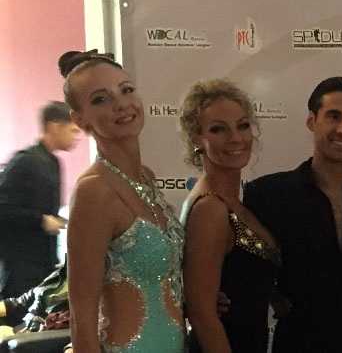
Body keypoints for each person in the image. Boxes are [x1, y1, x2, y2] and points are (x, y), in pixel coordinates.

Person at [243, 76, 342, 353]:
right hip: (299, 342)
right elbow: (247, 268)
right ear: (311, 121)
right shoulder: (267, 194)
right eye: (333, 116)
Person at [61, 50, 186, 353]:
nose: (121, 104)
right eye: (100, 99)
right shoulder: (94, 191)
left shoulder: (146, 177)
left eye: (126, 90)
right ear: (80, 120)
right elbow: (81, 317)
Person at [178, 80, 280, 353]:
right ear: (196, 138)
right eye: (218, 129)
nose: (235, 138)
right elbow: (202, 315)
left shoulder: (234, 201)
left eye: (243, 125)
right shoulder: (210, 208)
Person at [0, 101, 79, 299]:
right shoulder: (24, 161)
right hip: (20, 267)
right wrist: (41, 220)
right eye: (73, 130)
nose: (77, 136)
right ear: (54, 127)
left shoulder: (53, 162)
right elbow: (4, 209)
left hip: (45, 263)